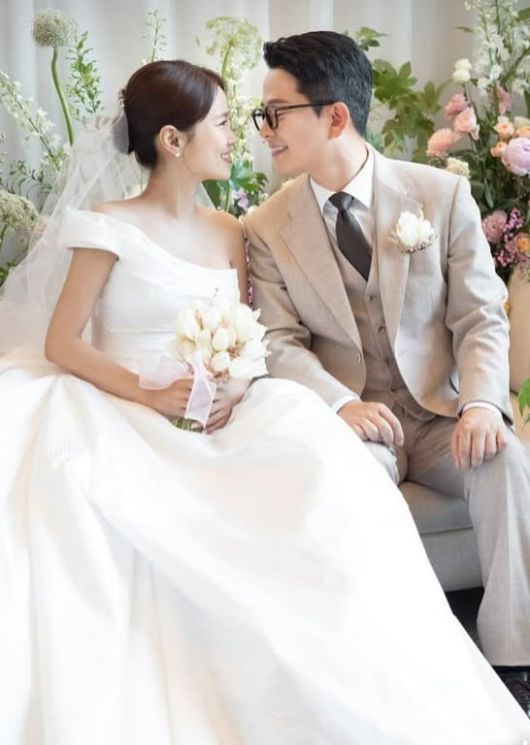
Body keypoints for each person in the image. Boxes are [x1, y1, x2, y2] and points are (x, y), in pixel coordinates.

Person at [0, 59, 529, 745]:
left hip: (230, 410)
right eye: (224, 123)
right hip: (124, 404)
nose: (240, 137)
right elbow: (62, 341)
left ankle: (471, 657)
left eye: (254, 118)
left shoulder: (231, 230)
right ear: (172, 140)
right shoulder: (108, 226)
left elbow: (256, 337)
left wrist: (234, 383)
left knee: (317, 459)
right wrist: (151, 393)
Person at [244, 29, 530, 715]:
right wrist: (339, 403)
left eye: (275, 113)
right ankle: (390, 665)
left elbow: (481, 318)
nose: (265, 131)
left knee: (507, 460)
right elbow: (278, 341)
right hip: (355, 424)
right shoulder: (266, 226)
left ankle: (513, 658)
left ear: (334, 116)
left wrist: (482, 403)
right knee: (353, 485)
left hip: (440, 416)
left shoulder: (440, 195)